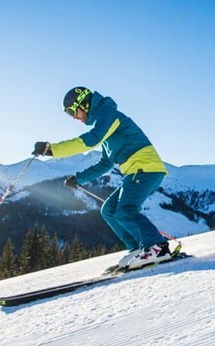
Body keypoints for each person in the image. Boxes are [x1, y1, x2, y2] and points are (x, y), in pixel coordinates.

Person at [32, 86, 171, 268]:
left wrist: (52, 149)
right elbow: (105, 163)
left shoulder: (108, 114)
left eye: (73, 112)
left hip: (145, 169)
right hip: (137, 172)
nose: (74, 117)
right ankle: (138, 248)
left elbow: (91, 140)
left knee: (125, 210)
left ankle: (157, 247)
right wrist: (78, 178)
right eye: (69, 114)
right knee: (109, 210)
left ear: (84, 104)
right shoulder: (105, 128)